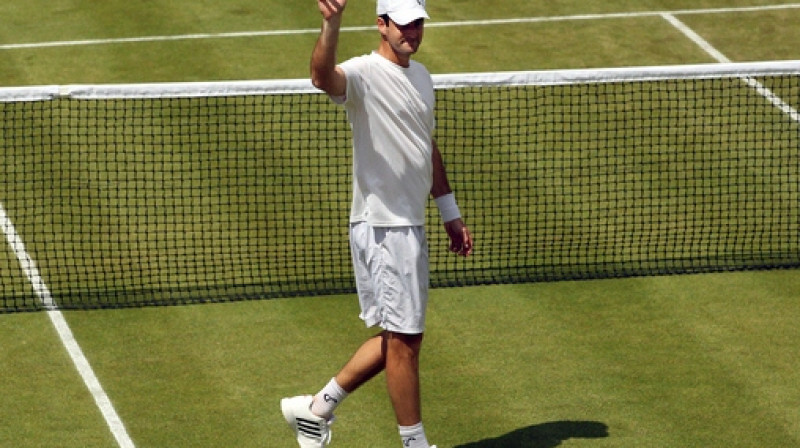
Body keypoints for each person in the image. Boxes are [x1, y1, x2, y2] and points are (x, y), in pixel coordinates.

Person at [280, 0, 473, 447]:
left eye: (417, 24)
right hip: (384, 227)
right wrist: (331, 25)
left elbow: (426, 146)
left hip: (411, 224)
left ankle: (315, 410)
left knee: (401, 339)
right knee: (405, 342)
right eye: (403, 25)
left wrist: (449, 212)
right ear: (381, 25)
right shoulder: (364, 73)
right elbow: (322, 78)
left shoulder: (422, 77)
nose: (412, 32)